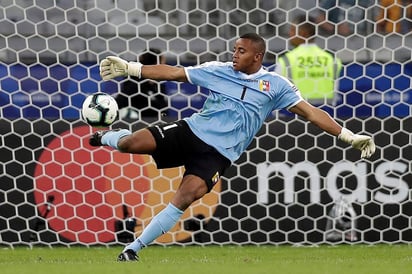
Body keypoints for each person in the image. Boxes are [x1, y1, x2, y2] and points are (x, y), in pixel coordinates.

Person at [93, 33, 376, 261]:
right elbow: (173, 73)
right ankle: (104, 137)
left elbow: (312, 113)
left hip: (218, 154)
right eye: (234, 49)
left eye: (241, 51)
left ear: (257, 56)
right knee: (131, 142)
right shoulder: (218, 71)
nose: (234, 54)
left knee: (187, 196)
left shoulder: (275, 86)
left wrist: (349, 136)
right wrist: (131, 68)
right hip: (191, 131)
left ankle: (132, 249)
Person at [275, 15, 342, 105]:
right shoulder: (331, 59)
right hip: (326, 114)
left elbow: (275, 91)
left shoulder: (287, 60)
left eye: (293, 30)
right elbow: (335, 91)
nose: (290, 34)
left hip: (295, 114)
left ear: (303, 33)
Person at [115, 48, 168, 119]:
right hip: (134, 122)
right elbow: (121, 101)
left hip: (154, 123)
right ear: (156, 63)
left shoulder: (159, 84)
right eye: (163, 63)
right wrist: (146, 82)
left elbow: (164, 110)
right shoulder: (133, 80)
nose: (165, 66)